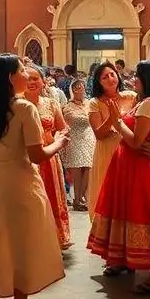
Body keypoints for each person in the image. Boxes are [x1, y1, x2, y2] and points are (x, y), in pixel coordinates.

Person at [0, 54, 66, 299]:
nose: (27, 74)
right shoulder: (24, 108)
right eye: (23, 70)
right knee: (23, 242)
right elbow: (37, 154)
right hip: (19, 182)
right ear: (11, 77)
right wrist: (58, 142)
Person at [87, 60, 150, 293]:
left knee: (144, 213)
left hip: (140, 168)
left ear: (147, 79)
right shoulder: (143, 102)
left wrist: (118, 121)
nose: (132, 79)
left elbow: (137, 142)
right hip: (131, 167)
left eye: (137, 76)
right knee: (130, 212)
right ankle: (125, 258)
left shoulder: (148, 104)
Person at [22, 66, 73, 248]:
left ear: (43, 81)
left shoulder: (50, 103)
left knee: (51, 196)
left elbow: (64, 127)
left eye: (36, 78)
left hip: (49, 156)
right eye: (28, 78)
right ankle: (32, 239)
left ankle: (55, 237)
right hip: (26, 158)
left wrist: (59, 138)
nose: (32, 82)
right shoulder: (17, 104)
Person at [86, 62, 136, 219]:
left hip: (128, 149)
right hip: (106, 150)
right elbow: (99, 134)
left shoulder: (131, 97)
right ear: (99, 82)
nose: (110, 78)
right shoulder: (95, 102)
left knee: (128, 192)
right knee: (106, 189)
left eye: (112, 74)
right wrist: (112, 119)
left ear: (118, 76)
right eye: (104, 77)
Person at [60, 78, 95, 211]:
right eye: (78, 88)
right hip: (75, 138)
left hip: (88, 138)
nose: (81, 90)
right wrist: (87, 117)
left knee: (87, 168)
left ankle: (82, 197)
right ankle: (76, 199)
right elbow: (72, 119)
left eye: (82, 87)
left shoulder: (89, 103)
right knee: (77, 170)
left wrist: (86, 117)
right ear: (73, 90)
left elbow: (92, 117)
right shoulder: (68, 106)